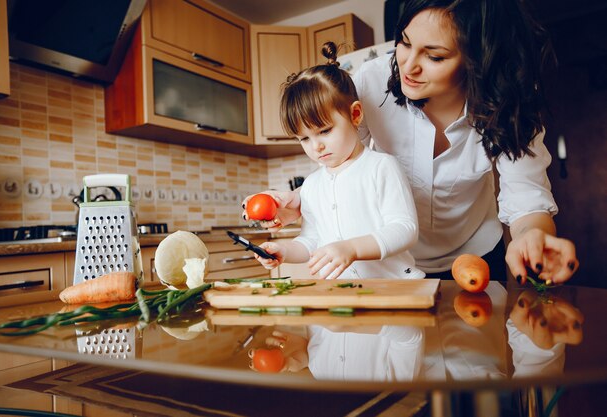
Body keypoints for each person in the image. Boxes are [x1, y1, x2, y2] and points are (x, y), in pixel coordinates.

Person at [244, 0, 578, 285]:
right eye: (404, 43)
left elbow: (527, 199)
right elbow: (343, 165)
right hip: (392, 263)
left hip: (473, 256)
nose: (409, 66)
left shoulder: (509, 102)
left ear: (477, 60)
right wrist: (302, 201)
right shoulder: (372, 83)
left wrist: (533, 236)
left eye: (434, 56)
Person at [252, 42, 424, 280]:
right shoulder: (311, 186)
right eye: (304, 138)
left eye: (324, 131)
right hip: (344, 297)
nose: (316, 146)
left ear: (355, 114)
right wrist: (284, 251)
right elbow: (312, 241)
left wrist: (351, 249)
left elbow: (405, 230)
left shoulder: (381, 167)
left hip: (395, 289)